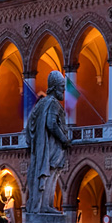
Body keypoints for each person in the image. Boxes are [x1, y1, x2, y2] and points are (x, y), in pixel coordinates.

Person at [25, 71, 72, 215]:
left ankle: (44, 206)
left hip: (43, 147)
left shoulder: (41, 104)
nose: (64, 90)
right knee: (50, 175)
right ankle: (45, 206)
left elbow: (30, 125)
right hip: (51, 147)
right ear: (55, 87)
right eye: (62, 87)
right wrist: (64, 139)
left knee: (48, 175)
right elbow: (51, 123)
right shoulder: (53, 103)